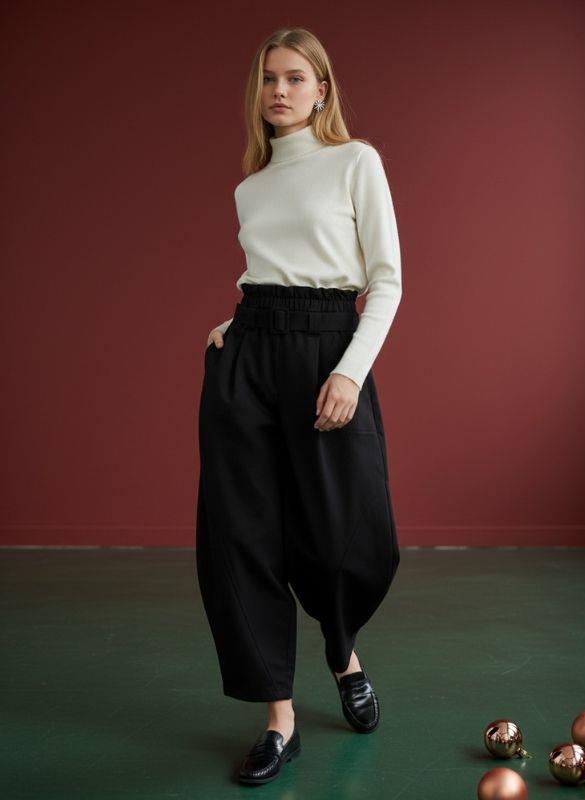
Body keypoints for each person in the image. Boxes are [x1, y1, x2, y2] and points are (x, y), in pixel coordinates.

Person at [196, 27, 403, 785]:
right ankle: (278, 720)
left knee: (347, 531)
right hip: (248, 354)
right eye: (267, 78)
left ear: (321, 89)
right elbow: (265, 272)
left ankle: (341, 650)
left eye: (293, 78)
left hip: (327, 351)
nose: (278, 90)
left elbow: (386, 280)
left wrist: (348, 372)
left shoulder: (355, 162)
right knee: (242, 533)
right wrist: (233, 325)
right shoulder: (250, 186)